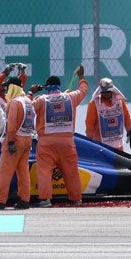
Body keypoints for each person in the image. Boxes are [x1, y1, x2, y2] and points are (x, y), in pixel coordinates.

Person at [33, 65, 89, 207]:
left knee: (44, 171)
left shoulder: (41, 99)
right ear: (59, 86)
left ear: (47, 87)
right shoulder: (71, 97)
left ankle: (45, 199)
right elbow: (83, 90)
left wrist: (30, 92)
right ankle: (76, 199)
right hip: (67, 142)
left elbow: (27, 107)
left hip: (46, 142)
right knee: (71, 172)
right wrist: (81, 77)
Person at [0, 76, 36, 210]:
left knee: (4, 172)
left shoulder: (14, 103)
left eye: (8, 87)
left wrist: (11, 141)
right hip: (27, 139)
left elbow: (11, 125)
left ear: (13, 88)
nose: (6, 89)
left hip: (14, 140)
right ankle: (24, 200)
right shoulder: (28, 101)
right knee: (23, 172)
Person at [85, 78, 131, 151]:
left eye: (108, 92)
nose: (106, 94)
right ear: (100, 91)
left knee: (119, 162)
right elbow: (89, 123)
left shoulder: (119, 101)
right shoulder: (94, 104)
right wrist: (89, 139)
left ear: (112, 90)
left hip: (118, 145)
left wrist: (130, 131)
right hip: (100, 145)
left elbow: (126, 117)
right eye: (104, 92)